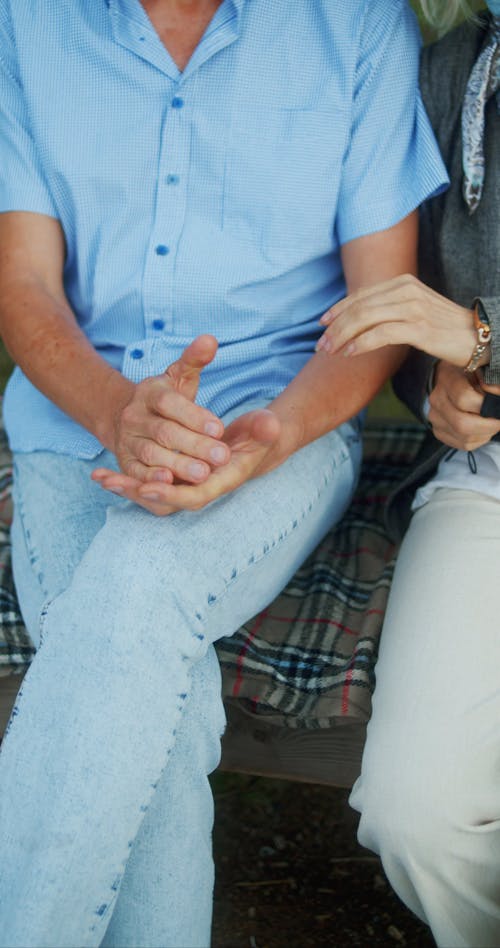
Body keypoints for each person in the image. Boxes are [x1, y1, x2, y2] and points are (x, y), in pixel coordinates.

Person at [0, 1, 447, 945]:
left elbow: (379, 304)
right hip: (75, 421)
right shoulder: (24, 22)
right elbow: (23, 284)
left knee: (136, 588)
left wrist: (271, 433)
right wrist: (118, 412)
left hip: (278, 422)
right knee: (146, 678)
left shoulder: (357, 24)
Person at [318, 2, 500, 945]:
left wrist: (485, 334)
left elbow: (472, 324)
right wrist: (441, 387)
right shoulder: (451, 67)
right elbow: (416, 317)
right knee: (415, 814)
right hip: (487, 480)